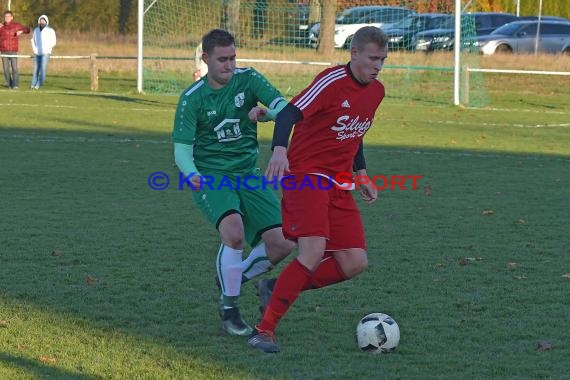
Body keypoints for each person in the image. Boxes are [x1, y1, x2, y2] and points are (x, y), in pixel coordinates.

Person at [247, 26, 389, 353]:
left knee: (354, 262)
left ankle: (275, 288)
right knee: (311, 253)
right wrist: (279, 151)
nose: (377, 65)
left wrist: (362, 174)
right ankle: (263, 331)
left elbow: (355, 133)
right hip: (306, 177)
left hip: (338, 183)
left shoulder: (376, 92)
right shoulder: (330, 82)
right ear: (354, 54)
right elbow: (286, 116)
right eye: (372, 58)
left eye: (382, 59)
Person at [171, 29, 295, 337]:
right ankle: (229, 305)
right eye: (222, 60)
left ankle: (232, 276)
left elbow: (287, 109)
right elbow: (181, 150)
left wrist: (266, 114)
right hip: (211, 175)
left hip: (248, 173)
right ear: (206, 59)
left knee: (283, 243)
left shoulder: (249, 79)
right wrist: (193, 175)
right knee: (235, 234)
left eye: (233, 58)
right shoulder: (192, 99)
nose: (229, 65)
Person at [0, 10, 30, 89]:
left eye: (9, 16)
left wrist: (22, 31)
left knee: (14, 68)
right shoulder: (1, 27)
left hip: (13, 50)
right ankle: (10, 84)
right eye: (6, 16)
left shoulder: (16, 25)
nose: (7, 18)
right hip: (3, 51)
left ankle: (16, 85)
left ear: (12, 17)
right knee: (6, 69)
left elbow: (28, 29)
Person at [30, 14, 56, 90]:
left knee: (43, 70)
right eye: (41, 20)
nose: (42, 21)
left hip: (46, 53)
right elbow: (33, 40)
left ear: (46, 21)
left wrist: (46, 49)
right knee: (36, 70)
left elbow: (53, 42)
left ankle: (38, 84)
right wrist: (35, 50)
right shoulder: (36, 30)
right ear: (39, 21)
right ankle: (33, 84)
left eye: (44, 20)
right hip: (37, 53)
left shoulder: (50, 30)